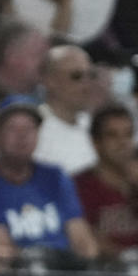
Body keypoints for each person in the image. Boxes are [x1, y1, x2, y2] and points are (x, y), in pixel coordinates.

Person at [0, 98, 98, 265]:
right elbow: (2, 246)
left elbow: (83, 241)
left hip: (65, 271)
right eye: (13, 128)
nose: (22, 136)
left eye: (29, 128)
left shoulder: (55, 177)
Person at [74, 103, 138, 263]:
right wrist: (128, 260)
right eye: (112, 135)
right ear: (96, 143)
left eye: (128, 135)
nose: (123, 142)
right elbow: (86, 238)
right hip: (107, 275)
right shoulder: (81, 184)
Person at [34, 44, 101, 178]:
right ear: (50, 81)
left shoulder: (96, 125)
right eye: (76, 76)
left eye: (91, 75)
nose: (87, 84)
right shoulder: (34, 127)